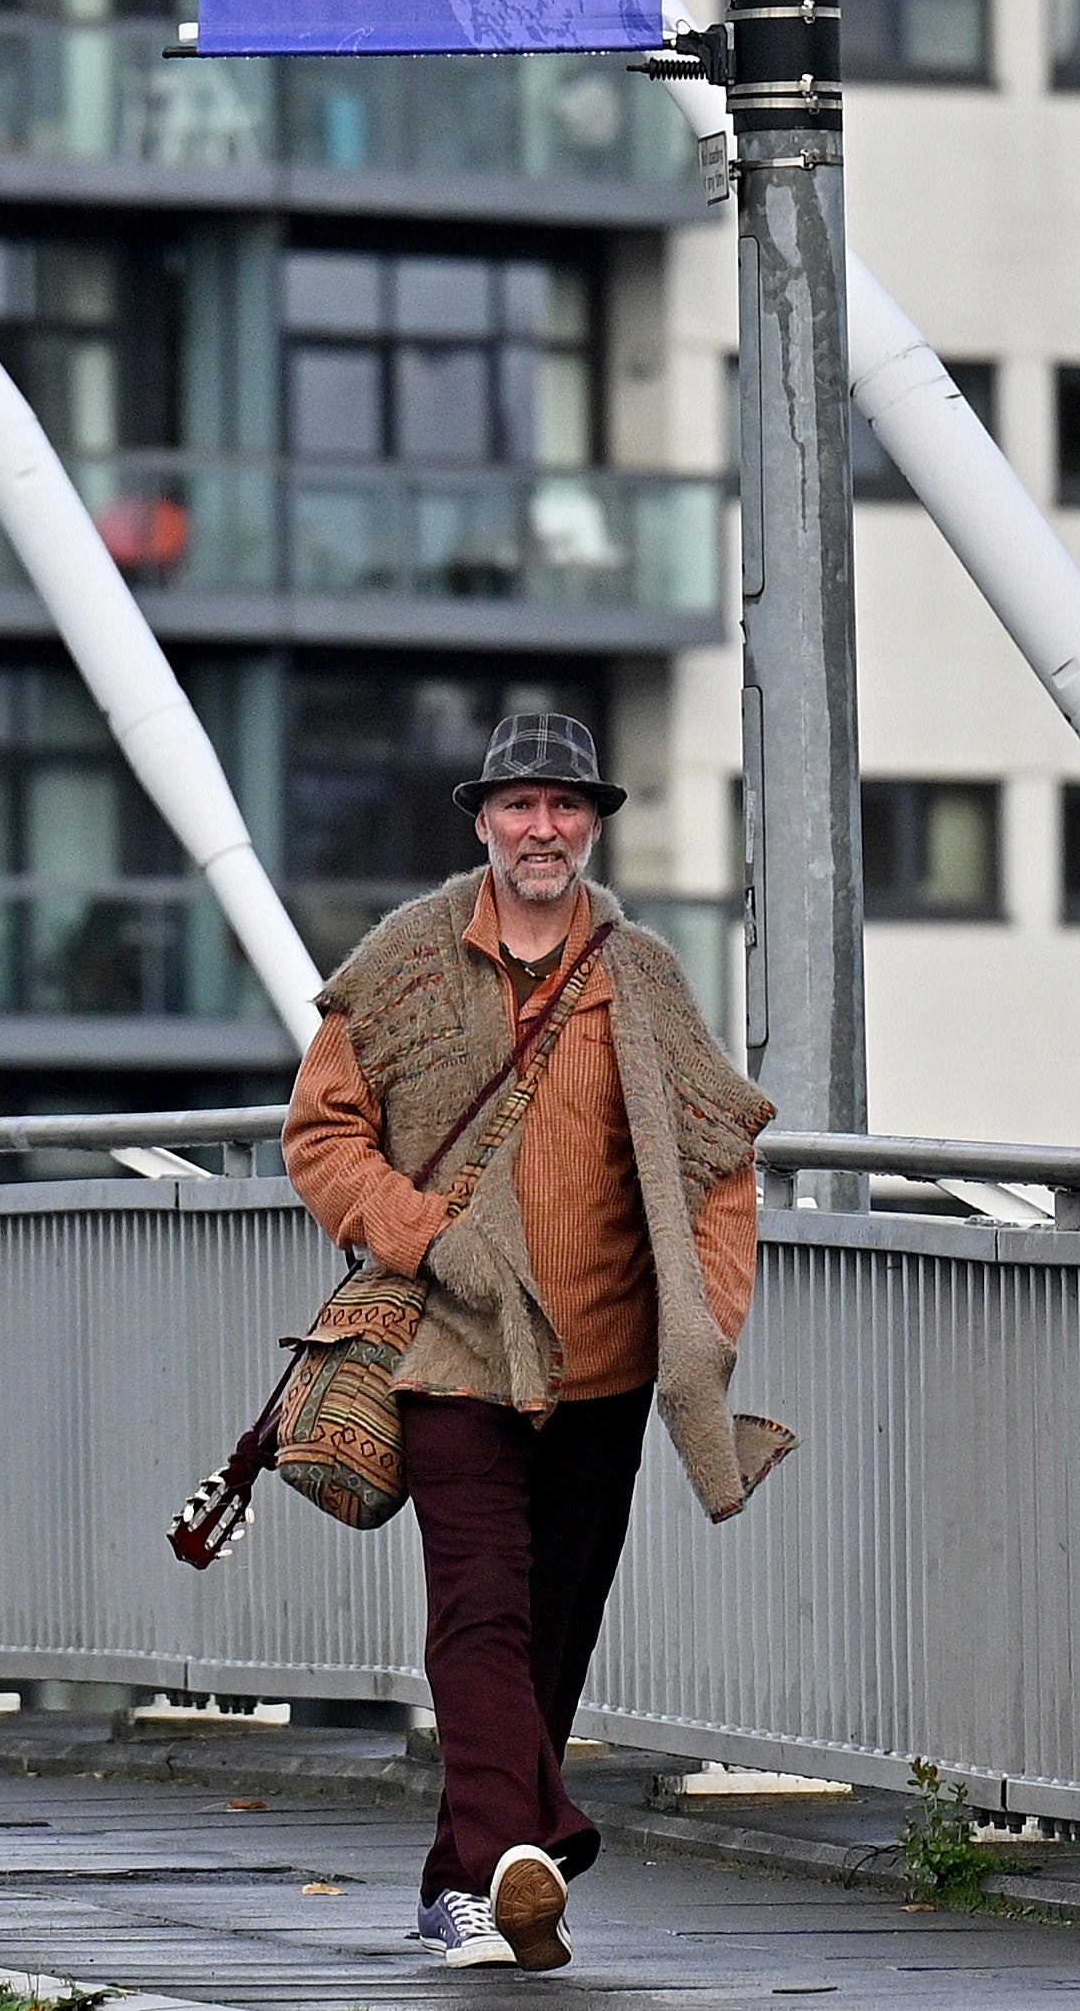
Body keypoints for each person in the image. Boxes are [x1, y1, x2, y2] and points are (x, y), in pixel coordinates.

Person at [284, 706, 789, 1972]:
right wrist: (413, 1231)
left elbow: (724, 1164)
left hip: (608, 1366)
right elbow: (322, 1133)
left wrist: (705, 1330)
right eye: (519, 805)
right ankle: (522, 1845)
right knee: (478, 1611)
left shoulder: (645, 976)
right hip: (452, 1353)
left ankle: (474, 1876)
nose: (543, 827)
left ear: (594, 824)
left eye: (565, 807)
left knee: (556, 1621)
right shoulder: (403, 960)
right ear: (483, 822)